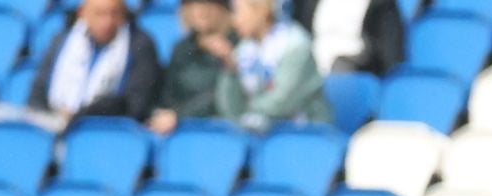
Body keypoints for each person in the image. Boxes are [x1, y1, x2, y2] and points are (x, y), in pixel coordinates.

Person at [25, 0, 163, 127]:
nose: (107, 22)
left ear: (124, 15)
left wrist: (78, 116)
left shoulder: (140, 45)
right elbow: (38, 90)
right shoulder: (62, 41)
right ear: (82, 13)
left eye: (114, 14)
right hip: (53, 123)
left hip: (106, 130)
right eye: (99, 14)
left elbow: (135, 104)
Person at [220, 0, 334, 129]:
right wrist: (230, 70)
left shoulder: (295, 46)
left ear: (262, 11)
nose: (234, 20)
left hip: (307, 134)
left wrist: (245, 111)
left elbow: (281, 103)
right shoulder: (244, 49)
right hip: (261, 134)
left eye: (238, 11)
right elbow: (230, 111)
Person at [149, 0, 237, 134]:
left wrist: (178, 116)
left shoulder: (238, 46)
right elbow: (168, 94)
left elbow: (222, 94)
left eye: (210, 4)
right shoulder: (181, 48)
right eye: (196, 4)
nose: (203, 11)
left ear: (224, 9)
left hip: (221, 129)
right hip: (180, 129)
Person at [291, 0, 404, 77]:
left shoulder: (382, 4)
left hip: (353, 68)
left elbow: (390, 57)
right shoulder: (309, 3)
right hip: (310, 61)